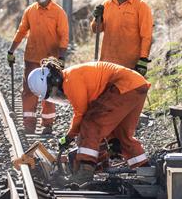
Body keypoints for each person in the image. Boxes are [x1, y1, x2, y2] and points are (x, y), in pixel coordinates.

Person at [27, 57, 151, 185]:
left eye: (52, 91)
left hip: (123, 85)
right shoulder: (71, 76)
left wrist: (69, 137)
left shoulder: (70, 80)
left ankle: (85, 170)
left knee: (90, 123)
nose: (56, 95)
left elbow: (81, 114)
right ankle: (145, 171)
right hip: (137, 86)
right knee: (121, 135)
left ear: (54, 80)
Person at [7, 0, 69, 134]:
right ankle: (29, 125)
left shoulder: (58, 12)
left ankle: (47, 125)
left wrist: (61, 59)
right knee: (28, 91)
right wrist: (11, 50)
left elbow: (64, 36)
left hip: (51, 61)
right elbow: (21, 31)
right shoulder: (30, 11)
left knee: (49, 92)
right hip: (32, 58)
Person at [90, 0, 153, 76]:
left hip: (130, 66)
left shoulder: (142, 7)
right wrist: (97, 19)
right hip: (107, 64)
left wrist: (143, 59)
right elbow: (96, 30)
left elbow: (146, 36)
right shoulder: (106, 5)